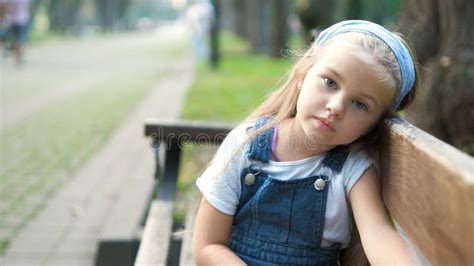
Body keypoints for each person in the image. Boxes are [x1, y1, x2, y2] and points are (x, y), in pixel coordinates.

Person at [192, 20, 421, 265]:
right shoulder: (245, 145)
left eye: (360, 104)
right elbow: (207, 246)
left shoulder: (352, 169)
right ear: (303, 75)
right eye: (330, 82)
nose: (335, 107)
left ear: (371, 126)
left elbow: (379, 234)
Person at [2, 0, 32, 64]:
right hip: (23, 20)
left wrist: (6, 14)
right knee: (20, 41)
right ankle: (17, 57)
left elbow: (5, 5)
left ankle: (15, 54)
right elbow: (29, 6)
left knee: (16, 40)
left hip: (13, 20)